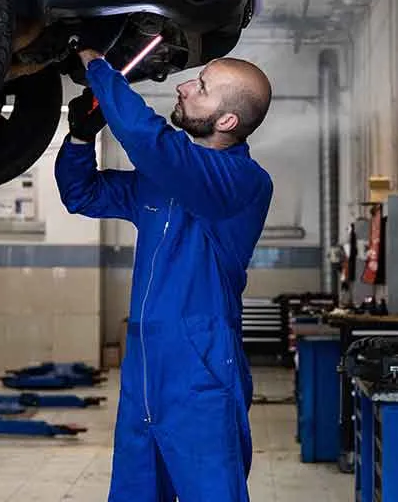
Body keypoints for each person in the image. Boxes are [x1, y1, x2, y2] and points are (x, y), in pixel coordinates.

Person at [54, 41, 274, 502]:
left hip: (201, 372)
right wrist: (79, 137)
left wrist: (99, 68)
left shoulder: (242, 182)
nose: (184, 85)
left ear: (227, 120)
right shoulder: (163, 180)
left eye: (201, 86)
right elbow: (83, 194)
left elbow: (151, 142)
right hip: (145, 371)